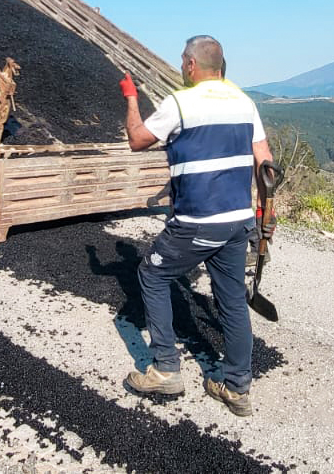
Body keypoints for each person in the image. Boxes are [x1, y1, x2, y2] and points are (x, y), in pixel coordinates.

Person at [119, 34, 274, 417]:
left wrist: (131, 97)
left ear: (191, 65)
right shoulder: (244, 102)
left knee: (152, 274)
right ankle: (236, 388)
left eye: (182, 61)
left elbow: (137, 140)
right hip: (237, 222)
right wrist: (265, 216)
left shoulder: (180, 103)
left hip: (197, 223)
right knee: (232, 300)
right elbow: (265, 164)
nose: (181, 67)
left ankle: (165, 370)